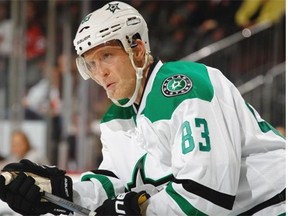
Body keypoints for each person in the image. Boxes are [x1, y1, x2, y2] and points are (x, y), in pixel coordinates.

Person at [0, 1, 285, 215]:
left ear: (137, 50)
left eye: (106, 56)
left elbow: (206, 199)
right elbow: (116, 185)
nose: (100, 74)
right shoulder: (118, 117)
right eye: (91, 63)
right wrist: (56, 193)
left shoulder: (183, 86)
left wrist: (132, 210)